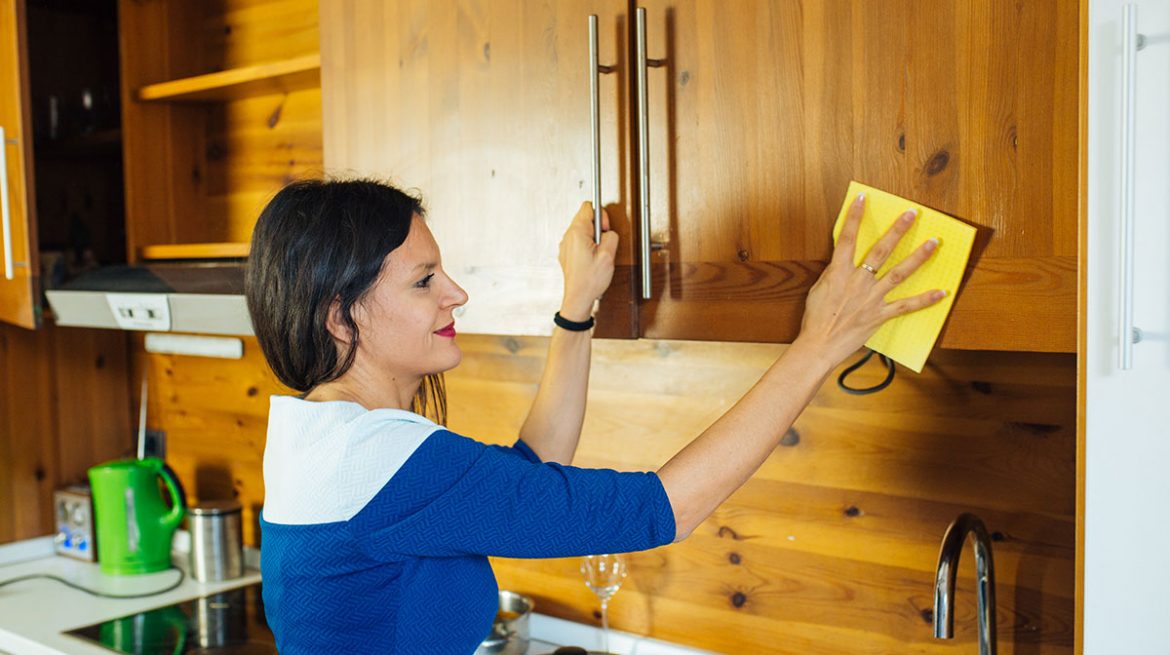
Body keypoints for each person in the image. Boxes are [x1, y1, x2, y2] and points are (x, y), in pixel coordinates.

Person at [244, 178, 943, 654]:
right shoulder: (379, 461)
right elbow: (658, 508)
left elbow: (527, 473)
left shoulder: (327, 441)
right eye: (424, 280)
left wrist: (576, 306)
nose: (455, 293)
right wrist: (818, 345)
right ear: (341, 316)